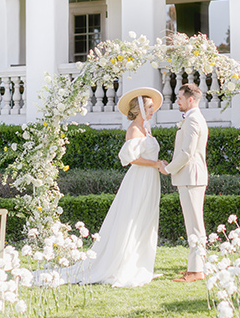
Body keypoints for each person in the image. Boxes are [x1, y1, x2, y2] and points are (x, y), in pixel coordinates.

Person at [60, 87, 166, 287]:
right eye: (150, 107)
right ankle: (124, 266)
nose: (153, 110)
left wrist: (160, 164)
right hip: (139, 180)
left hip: (151, 179)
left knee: (146, 219)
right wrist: (155, 164)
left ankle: (140, 265)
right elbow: (131, 159)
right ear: (140, 109)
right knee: (133, 219)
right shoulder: (134, 129)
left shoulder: (147, 129)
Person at [160, 83, 208, 283]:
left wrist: (167, 168)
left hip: (191, 177)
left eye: (180, 97)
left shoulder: (193, 120)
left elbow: (186, 153)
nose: (177, 100)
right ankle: (197, 266)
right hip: (191, 177)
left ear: (190, 99)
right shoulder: (192, 118)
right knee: (194, 223)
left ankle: (196, 271)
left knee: (194, 224)